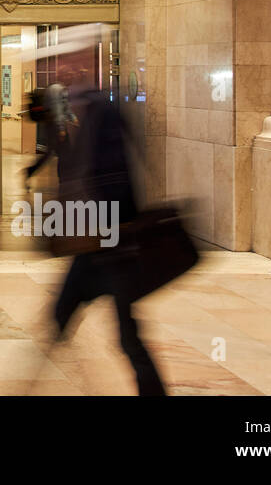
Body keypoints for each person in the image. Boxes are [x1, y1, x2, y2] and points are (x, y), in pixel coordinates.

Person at [50, 73, 167, 396]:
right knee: (64, 318)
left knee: (124, 332)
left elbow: (117, 178)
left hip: (108, 243)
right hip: (99, 241)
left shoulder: (102, 111)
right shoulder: (83, 110)